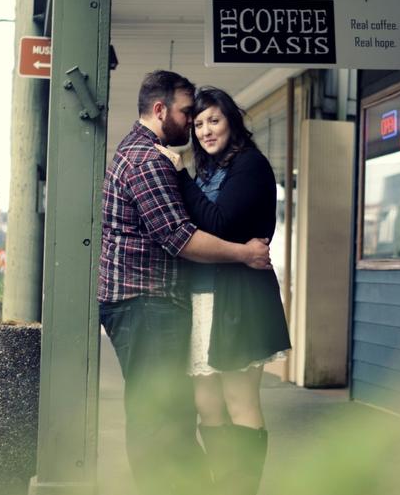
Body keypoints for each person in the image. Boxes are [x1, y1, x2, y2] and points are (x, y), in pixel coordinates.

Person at [98, 70, 272, 495]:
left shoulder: (237, 164)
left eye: (210, 118)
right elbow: (182, 237)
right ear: (161, 111)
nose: (196, 124)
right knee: (165, 414)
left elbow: (213, 221)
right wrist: (243, 252)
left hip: (198, 300)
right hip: (147, 301)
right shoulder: (150, 160)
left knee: (174, 410)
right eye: (190, 115)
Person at [156, 86, 291, 495]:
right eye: (198, 124)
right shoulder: (211, 171)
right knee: (207, 402)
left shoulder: (250, 165)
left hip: (239, 299)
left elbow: (219, 223)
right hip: (203, 298)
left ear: (231, 120)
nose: (205, 131)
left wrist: (180, 174)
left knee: (239, 400)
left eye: (213, 120)